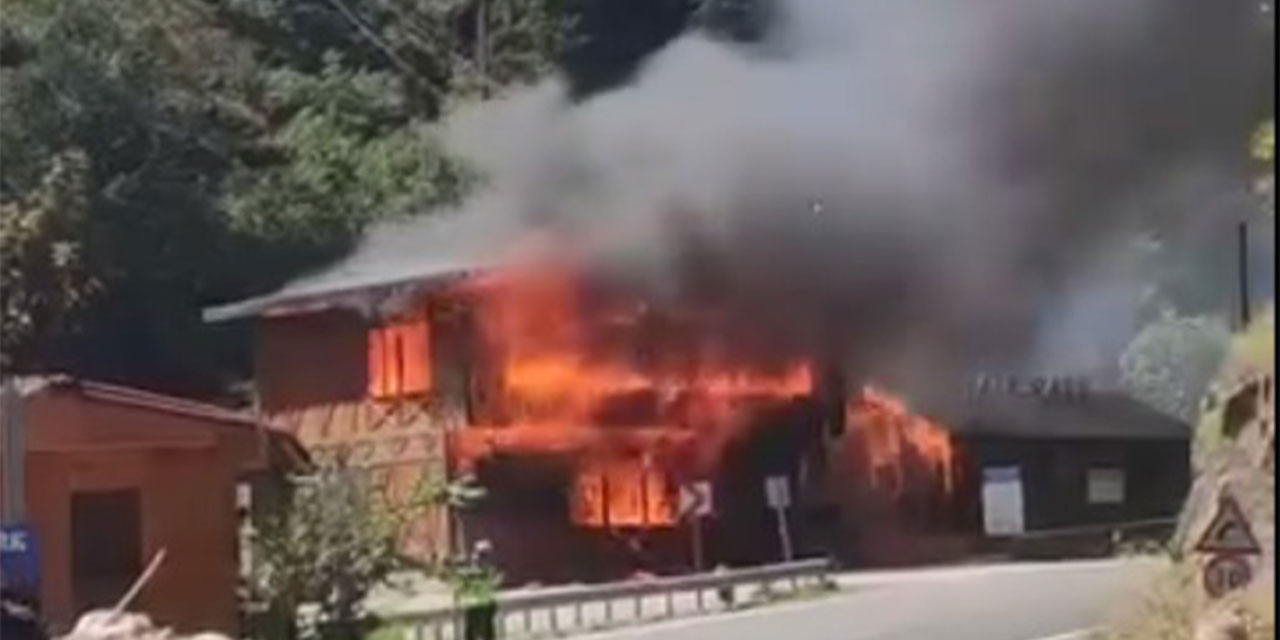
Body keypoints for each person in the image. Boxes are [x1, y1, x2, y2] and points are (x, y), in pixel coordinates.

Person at [456, 540, 500, 640]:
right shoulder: (487, 569)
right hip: (482, 605)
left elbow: (462, 586)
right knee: (484, 633)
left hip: (478, 605)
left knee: (477, 634)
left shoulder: (475, 570)